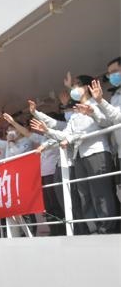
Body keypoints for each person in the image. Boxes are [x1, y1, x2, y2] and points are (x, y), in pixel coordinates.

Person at [33, 76, 119, 234]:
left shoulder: (97, 104)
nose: (73, 89)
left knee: (101, 193)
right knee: (84, 195)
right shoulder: (75, 112)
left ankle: (108, 228)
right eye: (72, 86)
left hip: (96, 151)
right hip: (79, 155)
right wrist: (47, 131)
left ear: (86, 87)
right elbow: (66, 134)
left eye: (76, 85)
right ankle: (93, 228)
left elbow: (107, 122)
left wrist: (92, 113)